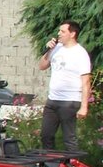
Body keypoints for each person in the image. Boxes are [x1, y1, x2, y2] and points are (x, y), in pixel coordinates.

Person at [38, 20, 92, 151]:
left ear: (72, 33)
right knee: (46, 135)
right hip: (53, 100)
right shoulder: (56, 48)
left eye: (62, 31)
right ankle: (51, 166)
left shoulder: (80, 53)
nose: (59, 34)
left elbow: (86, 81)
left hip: (70, 101)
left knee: (69, 138)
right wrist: (49, 50)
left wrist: (84, 107)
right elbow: (42, 66)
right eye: (59, 31)